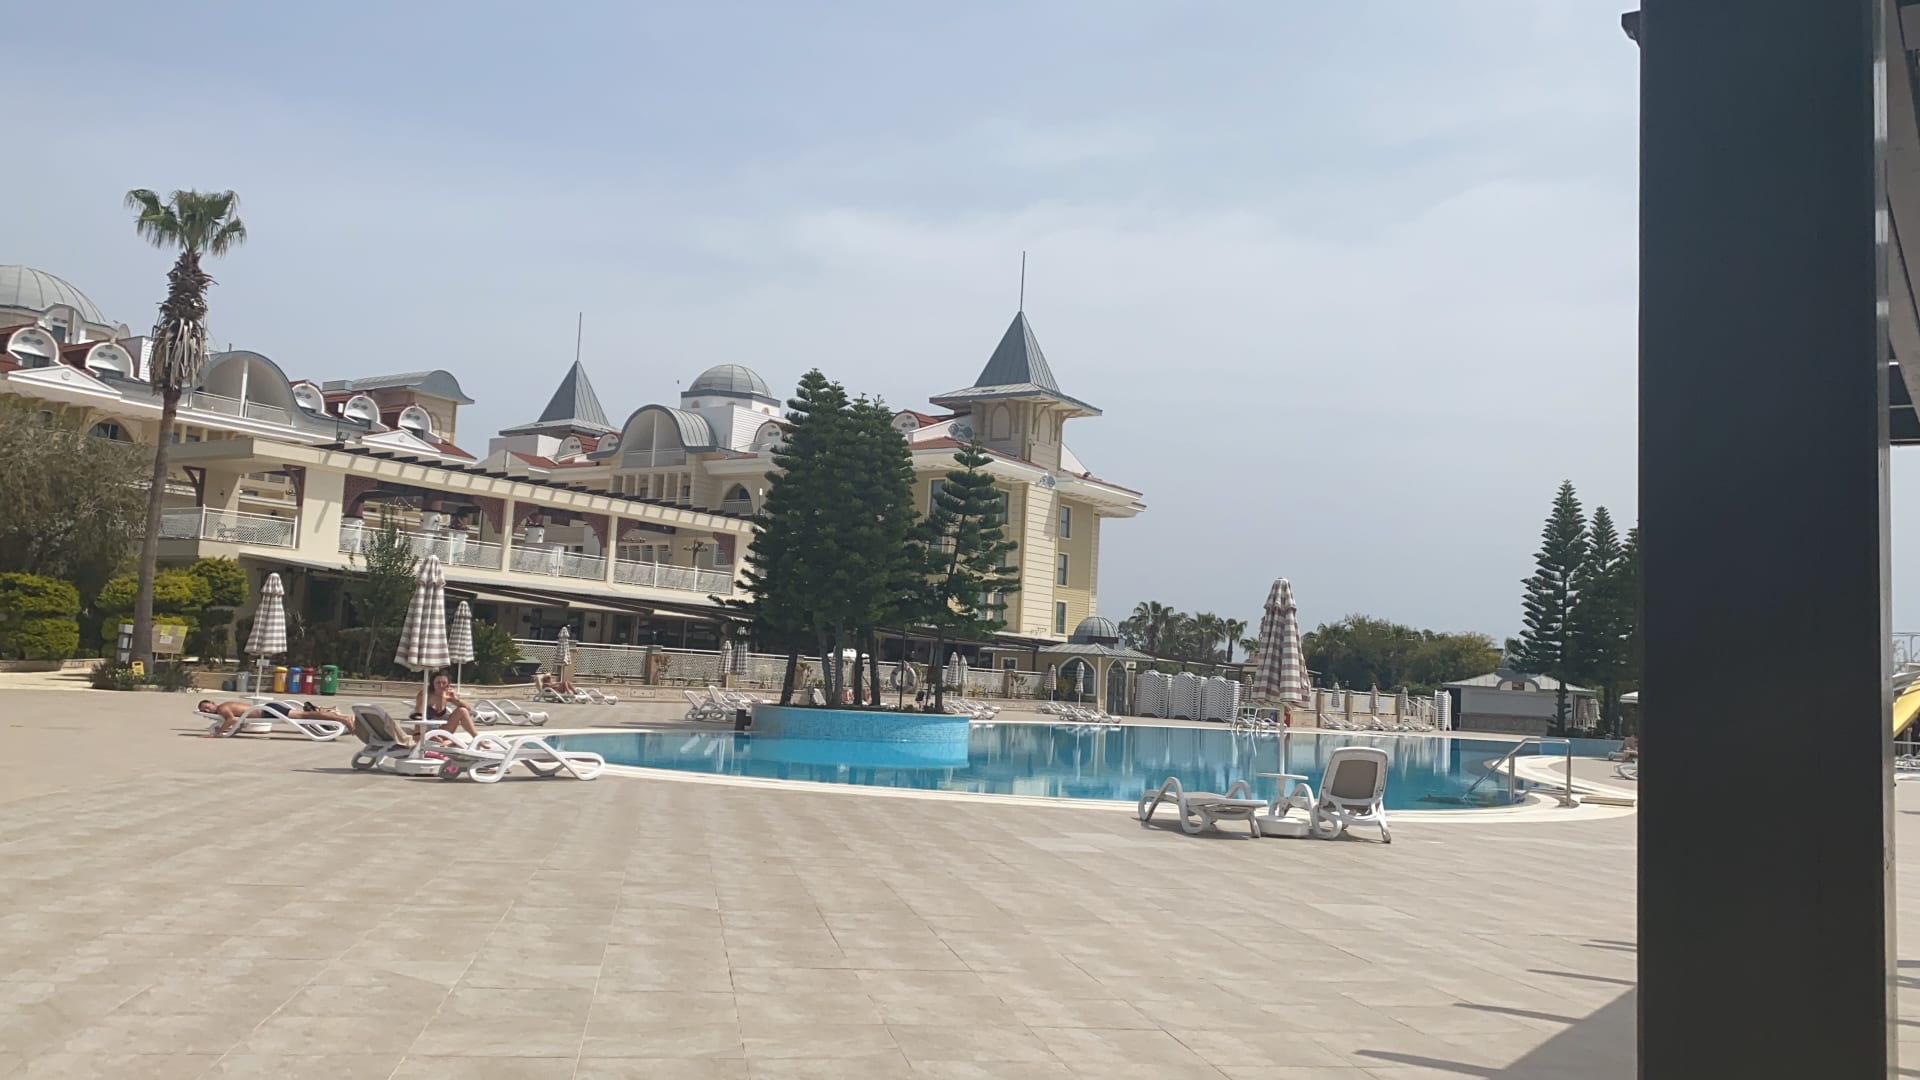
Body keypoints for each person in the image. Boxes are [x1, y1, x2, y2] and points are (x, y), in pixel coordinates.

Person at [198, 698, 354, 737]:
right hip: (268, 710)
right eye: (204, 710)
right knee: (307, 715)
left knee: (307, 715)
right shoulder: (225, 706)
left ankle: (342, 719)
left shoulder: (222, 708)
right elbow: (237, 720)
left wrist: (217, 733)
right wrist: (234, 730)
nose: (207, 710)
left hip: (268, 712)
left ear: (212, 703)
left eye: (207, 707)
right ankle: (339, 718)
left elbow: (231, 719)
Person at [415, 672, 477, 738]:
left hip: (443, 730)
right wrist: (418, 734)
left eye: (444, 683)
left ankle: (477, 738)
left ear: (448, 684)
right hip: (426, 731)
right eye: (438, 683)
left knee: (462, 710)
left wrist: (454, 699)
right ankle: (446, 741)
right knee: (442, 741)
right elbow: (418, 715)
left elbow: (468, 708)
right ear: (433, 683)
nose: (441, 685)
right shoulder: (425, 694)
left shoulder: (446, 695)